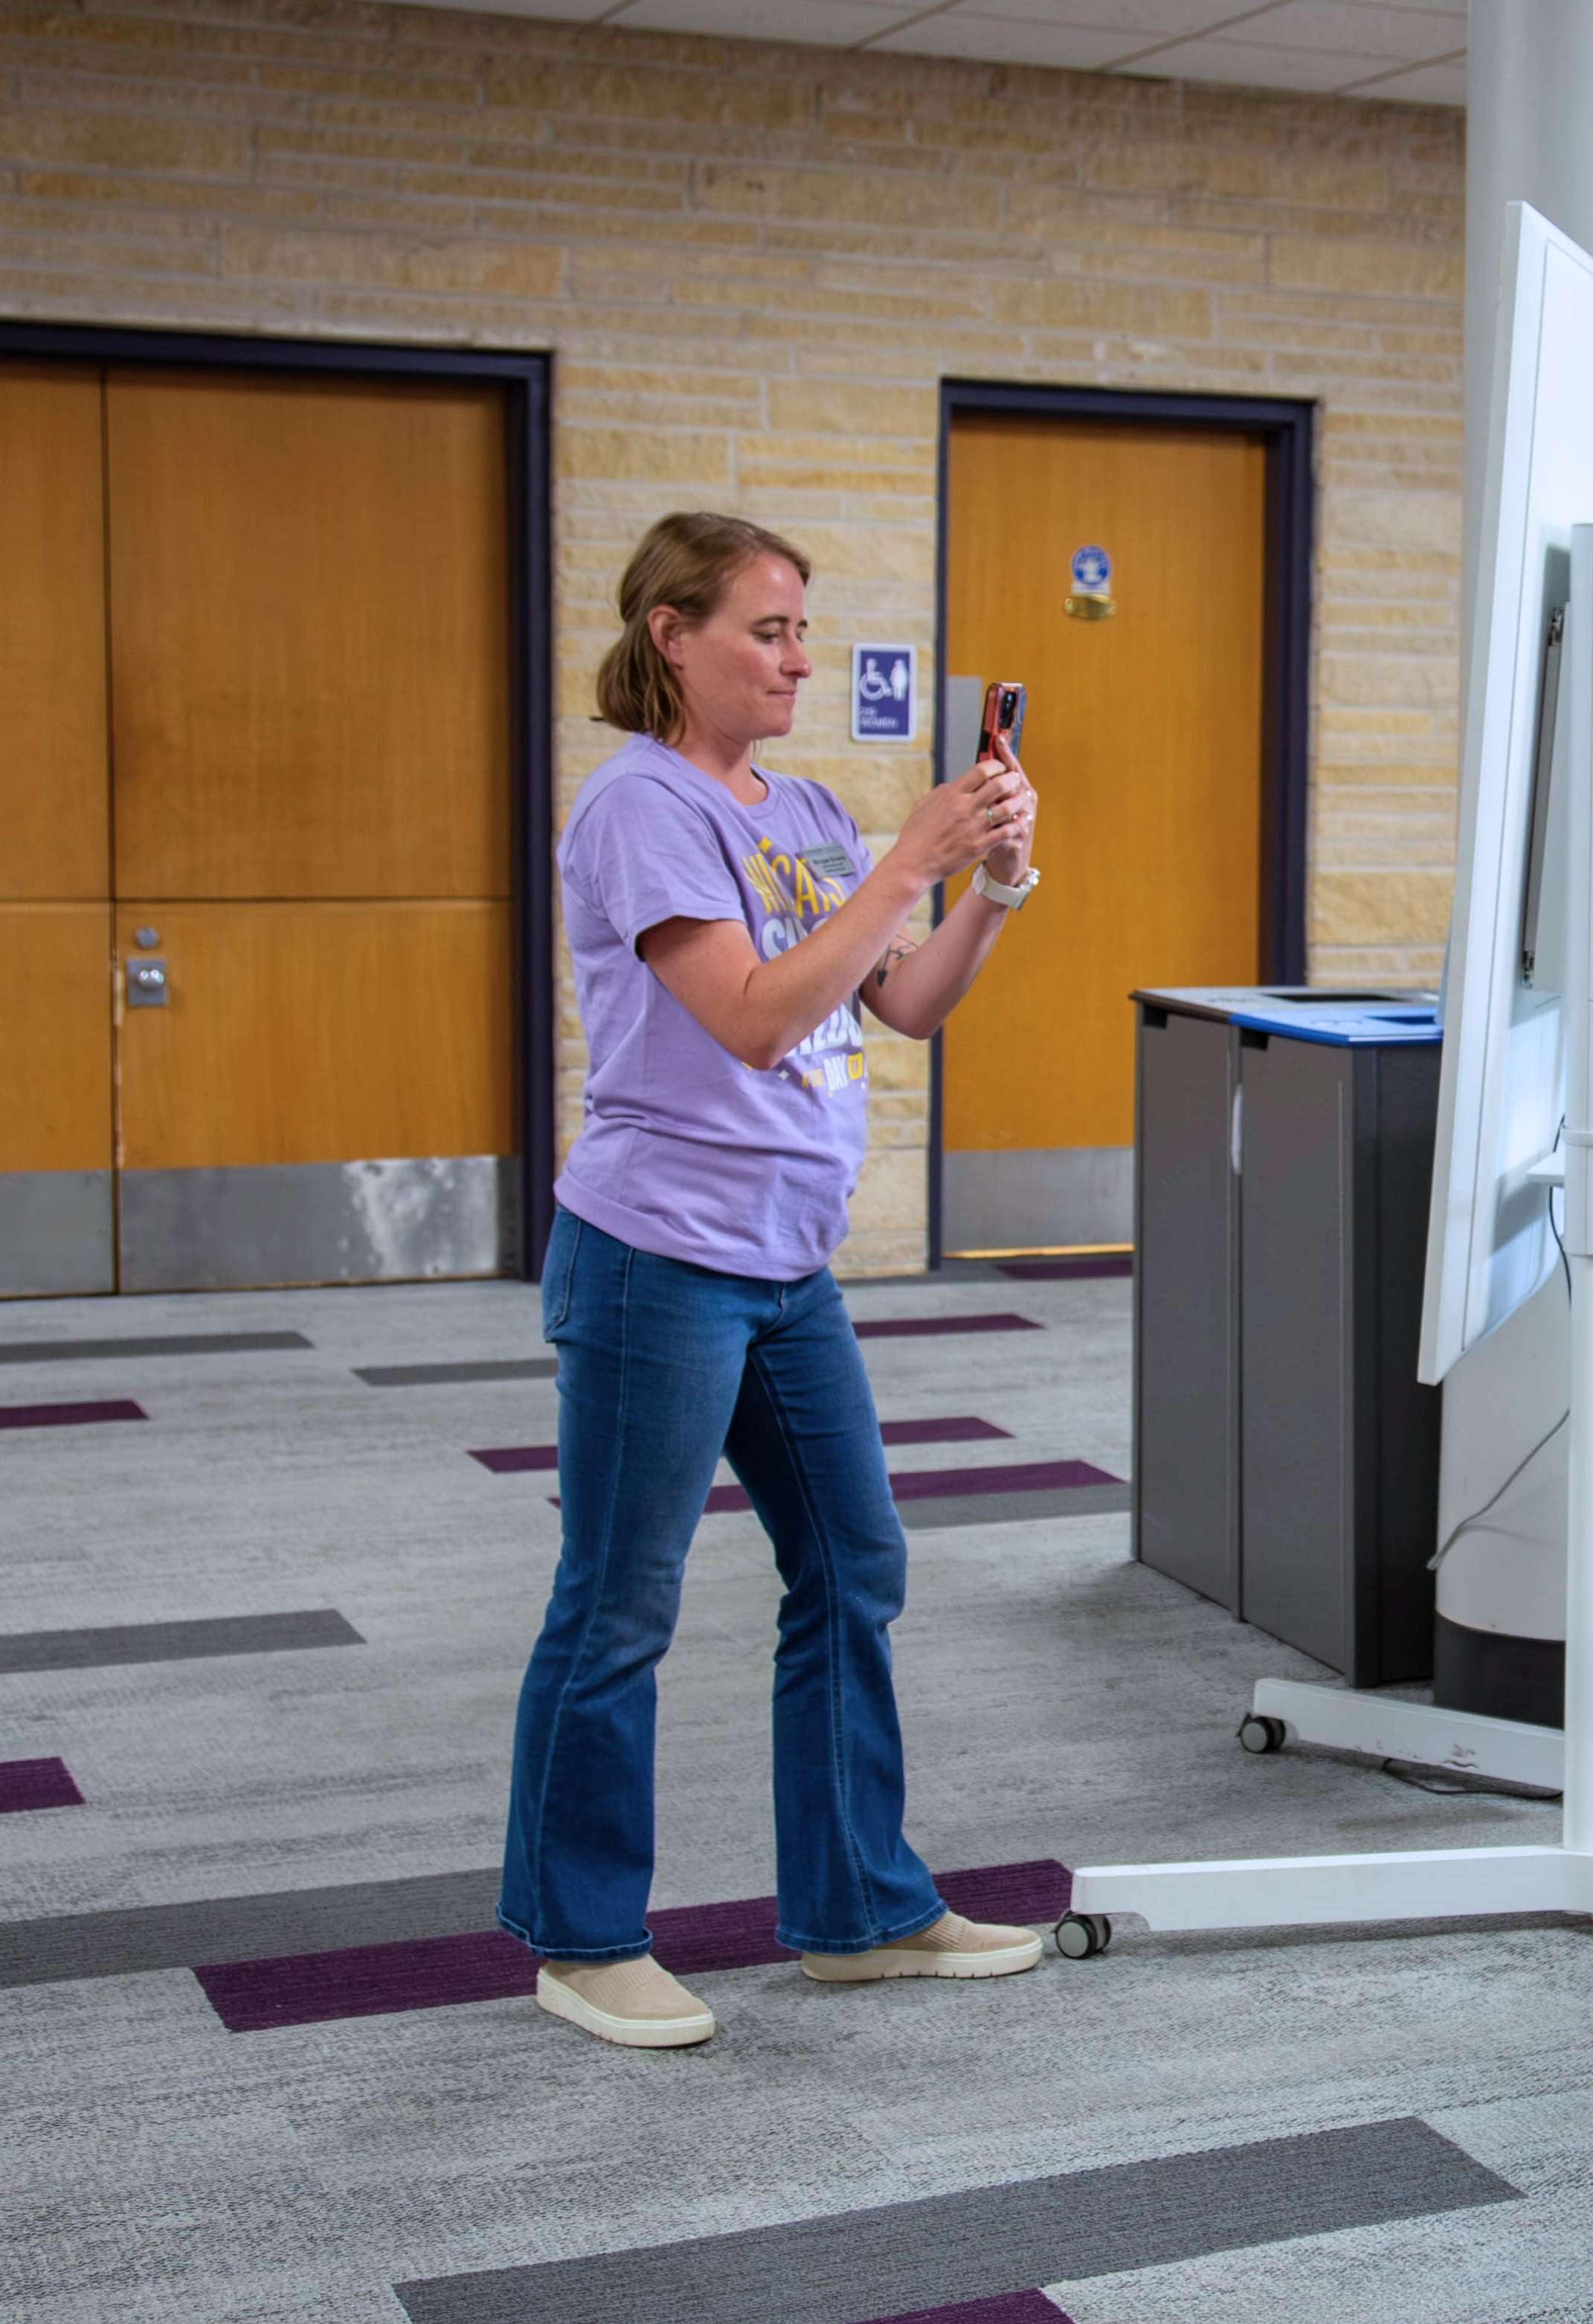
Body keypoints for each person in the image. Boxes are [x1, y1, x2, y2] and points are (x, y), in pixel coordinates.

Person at [501, 512, 1050, 2050]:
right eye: (764, 628)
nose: (796, 657)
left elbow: (909, 1004)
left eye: (804, 628)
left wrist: (990, 886)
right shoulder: (638, 811)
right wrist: (907, 861)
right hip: (652, 1260)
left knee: (852, 1565)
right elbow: (749, 1014)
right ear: (671, 635)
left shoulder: (802, 805)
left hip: (784, 1267)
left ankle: (858, 1910)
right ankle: (581, 1933)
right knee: (620, 1602)